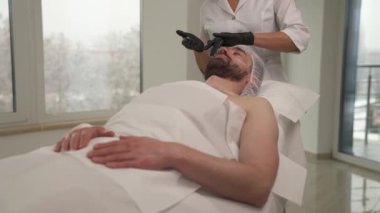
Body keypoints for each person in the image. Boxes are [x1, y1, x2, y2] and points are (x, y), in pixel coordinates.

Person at [54, 46, 279, 207]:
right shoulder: (168, 87)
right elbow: (135, 125)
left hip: (139, 176)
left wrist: (169, 152)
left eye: (238, 53)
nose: (225, 50)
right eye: (224, 49)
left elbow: (257, 185)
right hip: (91, 150)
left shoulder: (254, 105)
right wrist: (96, 130)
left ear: (252, 78)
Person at [177, 0, 310, 82]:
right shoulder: (208, 6)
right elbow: (209, 70)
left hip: (268, 87)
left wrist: (248, 38)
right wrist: (198, 50)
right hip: (228, 93)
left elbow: (299, 38)